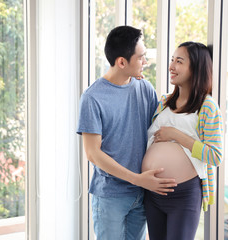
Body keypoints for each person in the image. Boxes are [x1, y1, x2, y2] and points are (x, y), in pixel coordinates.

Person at [77, 25, 177, 240]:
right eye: (141, 58)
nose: (145, 63)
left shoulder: (145, 88)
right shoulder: (92, 98)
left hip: (142, 194)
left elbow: (158, 131)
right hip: (110, 196)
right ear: (122, 62)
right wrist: (138, 179)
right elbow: (93, 154)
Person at [142, 41, 224, 240]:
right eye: (172, 60)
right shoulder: (163, 102)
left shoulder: (208, 107)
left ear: (195, 68)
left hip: (184, 195)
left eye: (179, 61)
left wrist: (175, 135)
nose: (171, 66)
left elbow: (215, 156)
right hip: (153, 193)